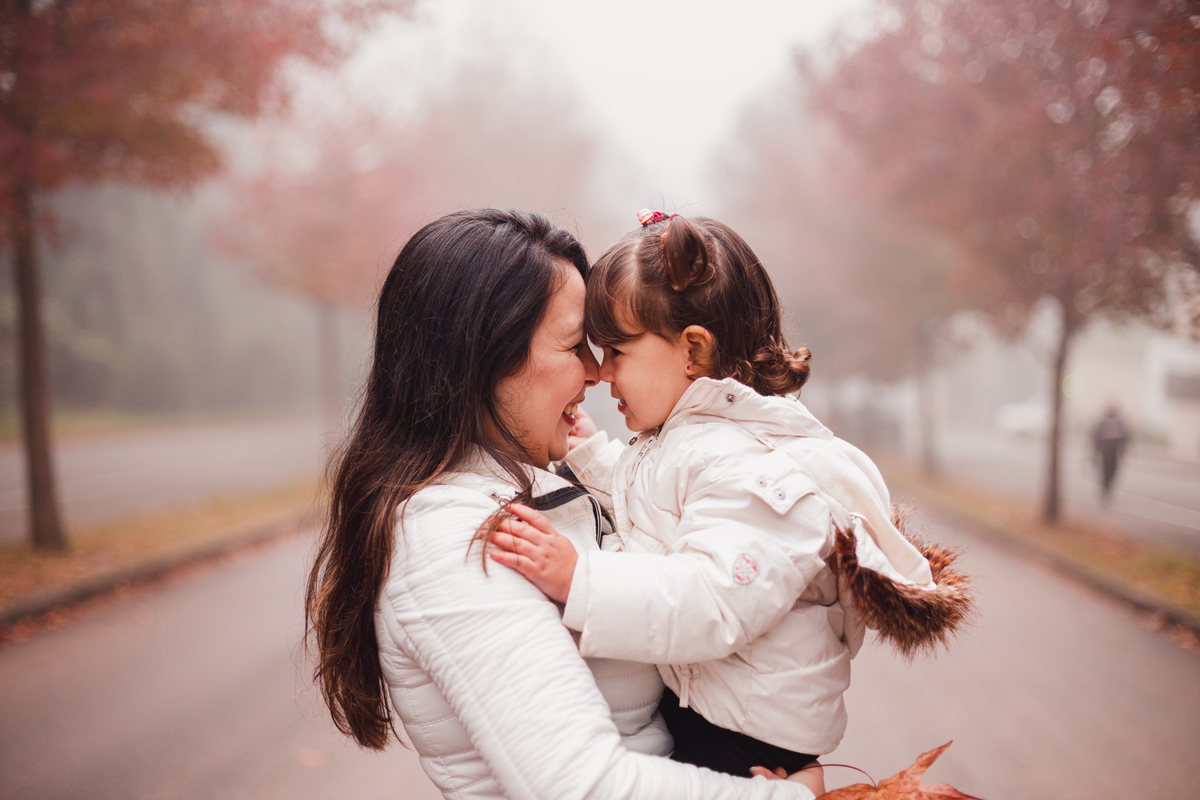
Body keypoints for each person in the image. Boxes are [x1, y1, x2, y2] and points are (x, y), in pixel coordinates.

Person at [304, 209, 819, 800]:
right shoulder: (453, 537)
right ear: (485, 358)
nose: (597, 373)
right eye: (577, 345)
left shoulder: (521, 492)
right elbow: (582, 785)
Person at [491, 211, 973, 780]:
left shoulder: (753, 465)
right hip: (712, 706)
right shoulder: (688, 439)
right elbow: (661, 514)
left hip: (745, 739)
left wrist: (581, 580)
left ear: (692, 348)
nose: (602, 374)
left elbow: (712, 600)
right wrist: (595, 456)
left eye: (617, 351)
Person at [1092, 404, 1129, 503]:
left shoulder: (1119, 424)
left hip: (1114, 451)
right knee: (1105, 471)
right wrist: (1095, 453)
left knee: (1113, 470)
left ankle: (1108, 488)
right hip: (1105, 450)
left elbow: (1125, 438)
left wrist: (1123, 450)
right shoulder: (1102, 424)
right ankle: (1105, 489)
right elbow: (1096, 438)